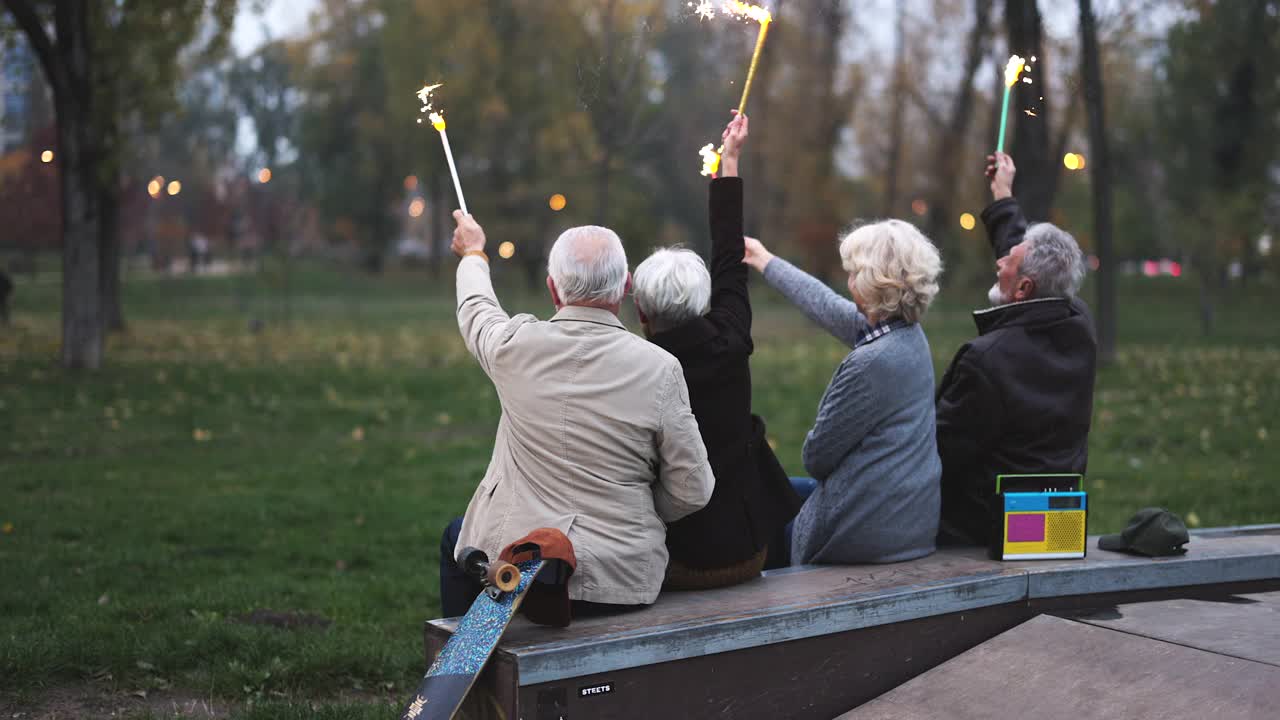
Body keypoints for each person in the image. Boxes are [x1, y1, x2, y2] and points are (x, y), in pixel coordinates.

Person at [439, 212, 715, 617]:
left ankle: (468, 665)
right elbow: (693, 489)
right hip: (622, 581)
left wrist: (475, 253)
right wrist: (635, 507)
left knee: (458, 539)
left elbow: (477, 307)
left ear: (553, 289)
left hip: (518, 574)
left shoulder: (512, 347)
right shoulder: (661, 368)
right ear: (625, 287)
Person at [632, 113, 802, 589]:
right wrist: (730, 161)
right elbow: (730, 257)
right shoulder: (731, 335)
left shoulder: (634, 371)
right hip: (746, 549)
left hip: (676, 561)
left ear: (642, 314)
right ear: (704, 303)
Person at [742, 221, 943, 566]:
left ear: (871, 285)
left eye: (853, 273)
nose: (848, 281)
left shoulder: (871, 363)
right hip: (907, 523)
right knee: (780, 490)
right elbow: (825, 305)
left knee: (759, 503)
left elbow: (816, 457)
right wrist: (764, 259)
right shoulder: (909, 337)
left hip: (862, 535)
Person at [934, 152, 1097, 546]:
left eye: (1009, 260)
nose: (1000, 260)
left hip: (979, 530)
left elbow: (939, 453)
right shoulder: (1079, 324)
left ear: (1024, 289)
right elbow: (1028, 261)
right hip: (1056, 527)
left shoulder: (986, 360)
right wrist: (1002, 193)